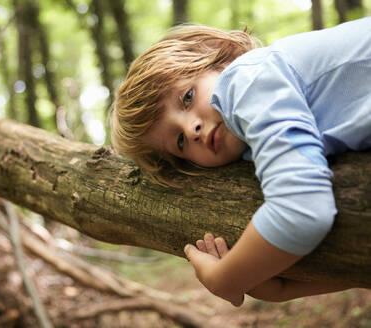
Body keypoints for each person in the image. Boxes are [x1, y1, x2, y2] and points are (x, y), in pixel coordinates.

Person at [110, 17, 371, 306]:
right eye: (179, 142)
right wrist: (277, 290)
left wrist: (223, 278)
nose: (190, 129)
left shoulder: (244, 79)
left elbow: (304, 210)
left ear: (223, 56)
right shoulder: (265, 131)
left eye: (187, 97)